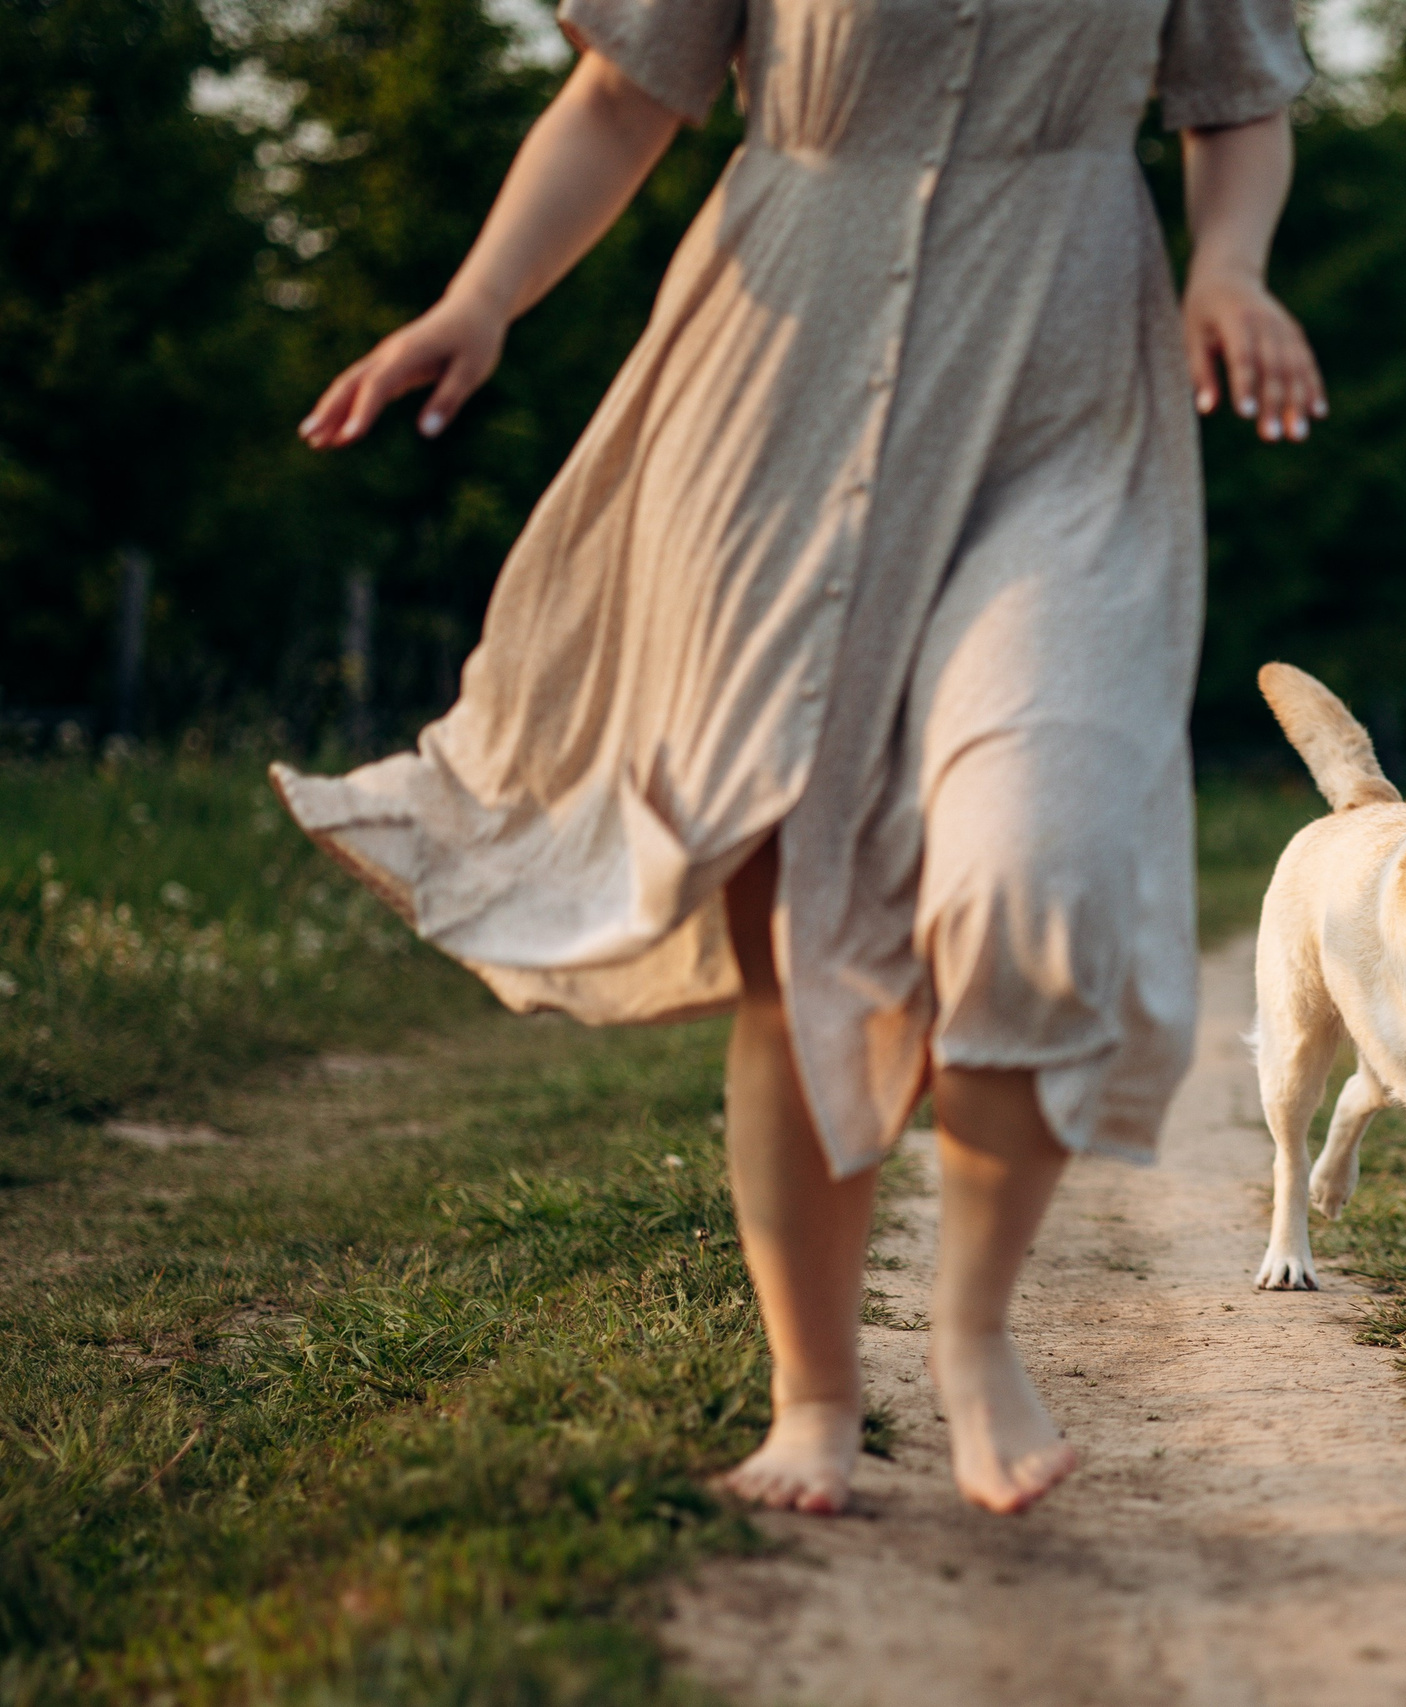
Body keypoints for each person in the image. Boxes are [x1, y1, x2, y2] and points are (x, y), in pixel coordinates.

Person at [274, 0, 1322, 1517]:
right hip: (775, 394)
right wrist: (479, 301)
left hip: (1065, 394)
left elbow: (1235, 97)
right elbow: (626, 97)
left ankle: (972, 1339)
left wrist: (1230, 271)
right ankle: (814, 1394)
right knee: (798, 913)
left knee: (1046, 863)